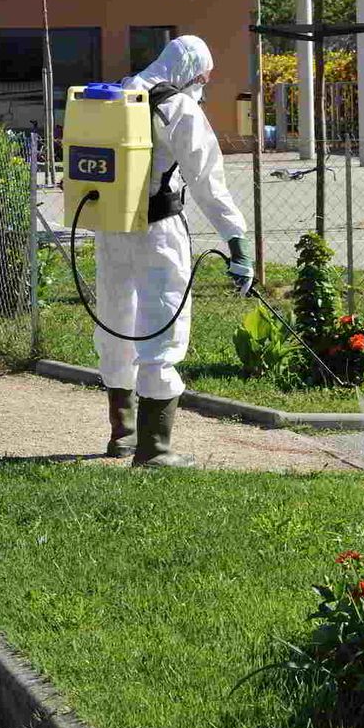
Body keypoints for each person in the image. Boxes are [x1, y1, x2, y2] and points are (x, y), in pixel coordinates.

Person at [95, 35, 253, 468]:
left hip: (109, 228)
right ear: (193, 73)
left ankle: (122, 434)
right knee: (162, 328)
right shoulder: (178, 107)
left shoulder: (115, 95)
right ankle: (155, 449)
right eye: (204, 77)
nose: (204, 83)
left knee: (116, 323)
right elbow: (208, 182)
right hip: (157, 232)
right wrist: (236, 242)